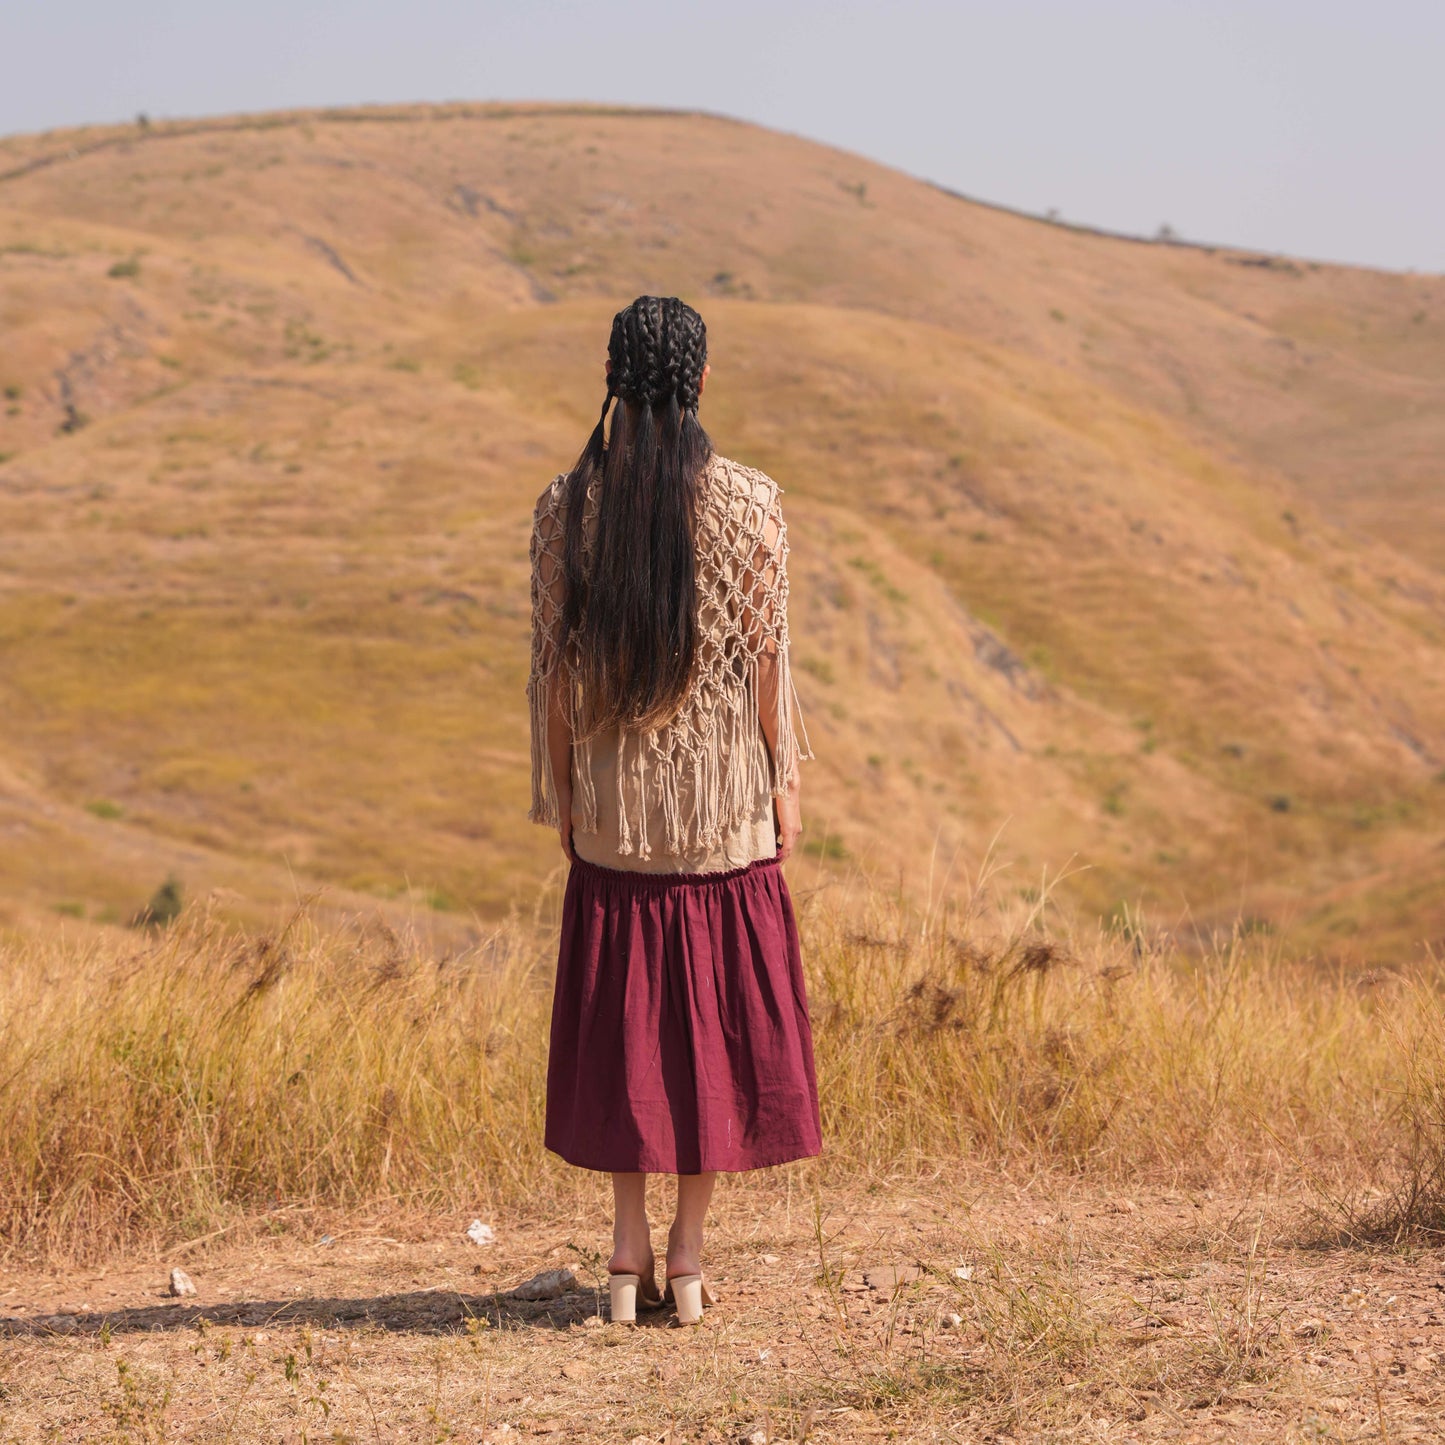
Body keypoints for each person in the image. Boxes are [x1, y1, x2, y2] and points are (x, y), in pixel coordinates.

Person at [526, 296, 822, 1326]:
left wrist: (564, 795)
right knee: (710, 1035)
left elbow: (554, 676)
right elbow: (766, 665)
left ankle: (623, 1252)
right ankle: (688, 1259)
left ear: (612, 379)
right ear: (698, 382)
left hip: (618, 816)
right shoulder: (749, 504)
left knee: (626, 1035)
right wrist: (783, 781)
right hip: (718, 814)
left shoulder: (566, 507)